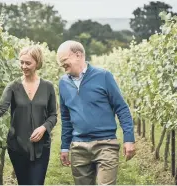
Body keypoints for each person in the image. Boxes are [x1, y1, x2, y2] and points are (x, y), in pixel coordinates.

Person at [0, 45, 57, 185]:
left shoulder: (48, 87)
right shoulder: (13, 86)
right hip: (17, 146)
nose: (24, 66)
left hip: (41, 147)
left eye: (28, 63)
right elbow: (1, 108)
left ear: (37, 63)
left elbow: (53, 115)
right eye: (22, 62)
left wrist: (43, 128)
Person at [57, 40, 135, 185]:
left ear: (78, 55)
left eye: (64, 60)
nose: (62, 65)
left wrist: (129, 138)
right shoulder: (63, 83)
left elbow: (121, 108)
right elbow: (66, 118)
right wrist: (64, 147)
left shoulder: (104, 76)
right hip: (78, 147)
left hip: (106, 144)